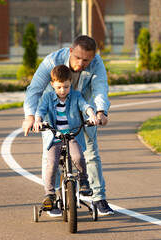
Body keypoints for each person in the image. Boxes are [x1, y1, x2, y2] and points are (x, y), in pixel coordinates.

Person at [22, 35, 113, 216]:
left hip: (83, 110)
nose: (81, 63)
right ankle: (52, 197)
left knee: (90, 153)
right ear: (71, 51)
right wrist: (30, 117)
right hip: (54, 111)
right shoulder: (52, 61)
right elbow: (35, 89)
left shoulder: (96, 63)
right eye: (78, 57)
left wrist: (101, 112)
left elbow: (100, 88)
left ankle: (98, 197)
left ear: (93, 57)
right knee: (51, 157)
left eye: (86, 60)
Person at [32, 64, 99, 208]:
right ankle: (49, 194)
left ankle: (84, 181)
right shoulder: (49, 97)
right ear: (52, 85)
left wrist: (92, 115)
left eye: (66, 87)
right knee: (51, 164)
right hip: (55, 138)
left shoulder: (75, 96)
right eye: (59, 87)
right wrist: (38, 121)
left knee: (79, 157)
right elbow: (41, 110)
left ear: (70, 83)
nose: (63, 91)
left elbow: (84, 106)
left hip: (71, 136)